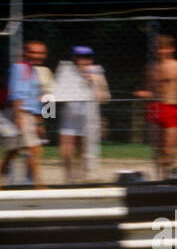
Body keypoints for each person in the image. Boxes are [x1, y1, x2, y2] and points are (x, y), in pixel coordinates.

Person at [134, 35, 177, 179]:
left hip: (173, 107)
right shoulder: (150, 68)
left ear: (171, 49)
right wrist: (142, 93)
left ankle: (168, 175)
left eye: (164, 48)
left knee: (169, 149)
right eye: (158, 48)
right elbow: (148, 89)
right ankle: (159, 176)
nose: (160, 52)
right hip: (155, 107)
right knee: (157, 147)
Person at [54, 46, 110, 183]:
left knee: (84, 151)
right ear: (73, 58)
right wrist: (48, 115)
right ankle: (68, 177)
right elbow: (52, 93)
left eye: (87, 57)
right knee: (66, 151)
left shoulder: (97, 72)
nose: (84, 60)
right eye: (80, 57)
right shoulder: (65, 71)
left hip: (87, 119)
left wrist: (95, 83)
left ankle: (81, 177)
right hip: (69, 119)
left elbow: (105, 97)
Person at [7, 41, 49, 186]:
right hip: (22, 113)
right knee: (34, 149)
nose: (37, 56)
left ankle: (31, 182)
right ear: (25, 53)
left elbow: (39, 99)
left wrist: (40, 122)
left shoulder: (35, 71)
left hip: (31, 115)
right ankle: (39, 185)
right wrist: (18, 117)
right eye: (33, 52)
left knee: (14, 151)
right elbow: (16, 93)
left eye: (41, 53)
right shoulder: (19, 67)